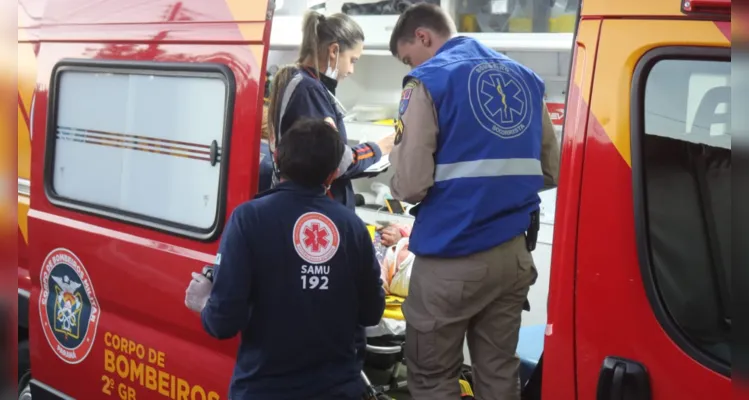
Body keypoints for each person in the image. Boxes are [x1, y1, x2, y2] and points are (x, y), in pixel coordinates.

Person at [387, 4, 560, 400]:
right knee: (499, 374)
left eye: (408, 55)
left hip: (453, 256)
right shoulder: (527, 80)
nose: (410, 64)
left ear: (423, 38)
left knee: (433, 379)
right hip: (513, 258)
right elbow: (551, 170)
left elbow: (412, 184)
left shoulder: (427, 81)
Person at [184, 119, 386, 400]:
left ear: (277, 158)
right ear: (331, 175)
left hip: (264, 390)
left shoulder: (249, 219)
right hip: (338, 390)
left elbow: (223, 323)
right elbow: (371, 313)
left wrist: (203, 300)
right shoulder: (352, 227)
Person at [267, 10, 396, 209]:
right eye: (353, 60)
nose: (352, 70)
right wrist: (380, 148)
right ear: (334, 51)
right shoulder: (309, 89)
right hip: (315, 209)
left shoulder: (302, 83)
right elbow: (337, 161)